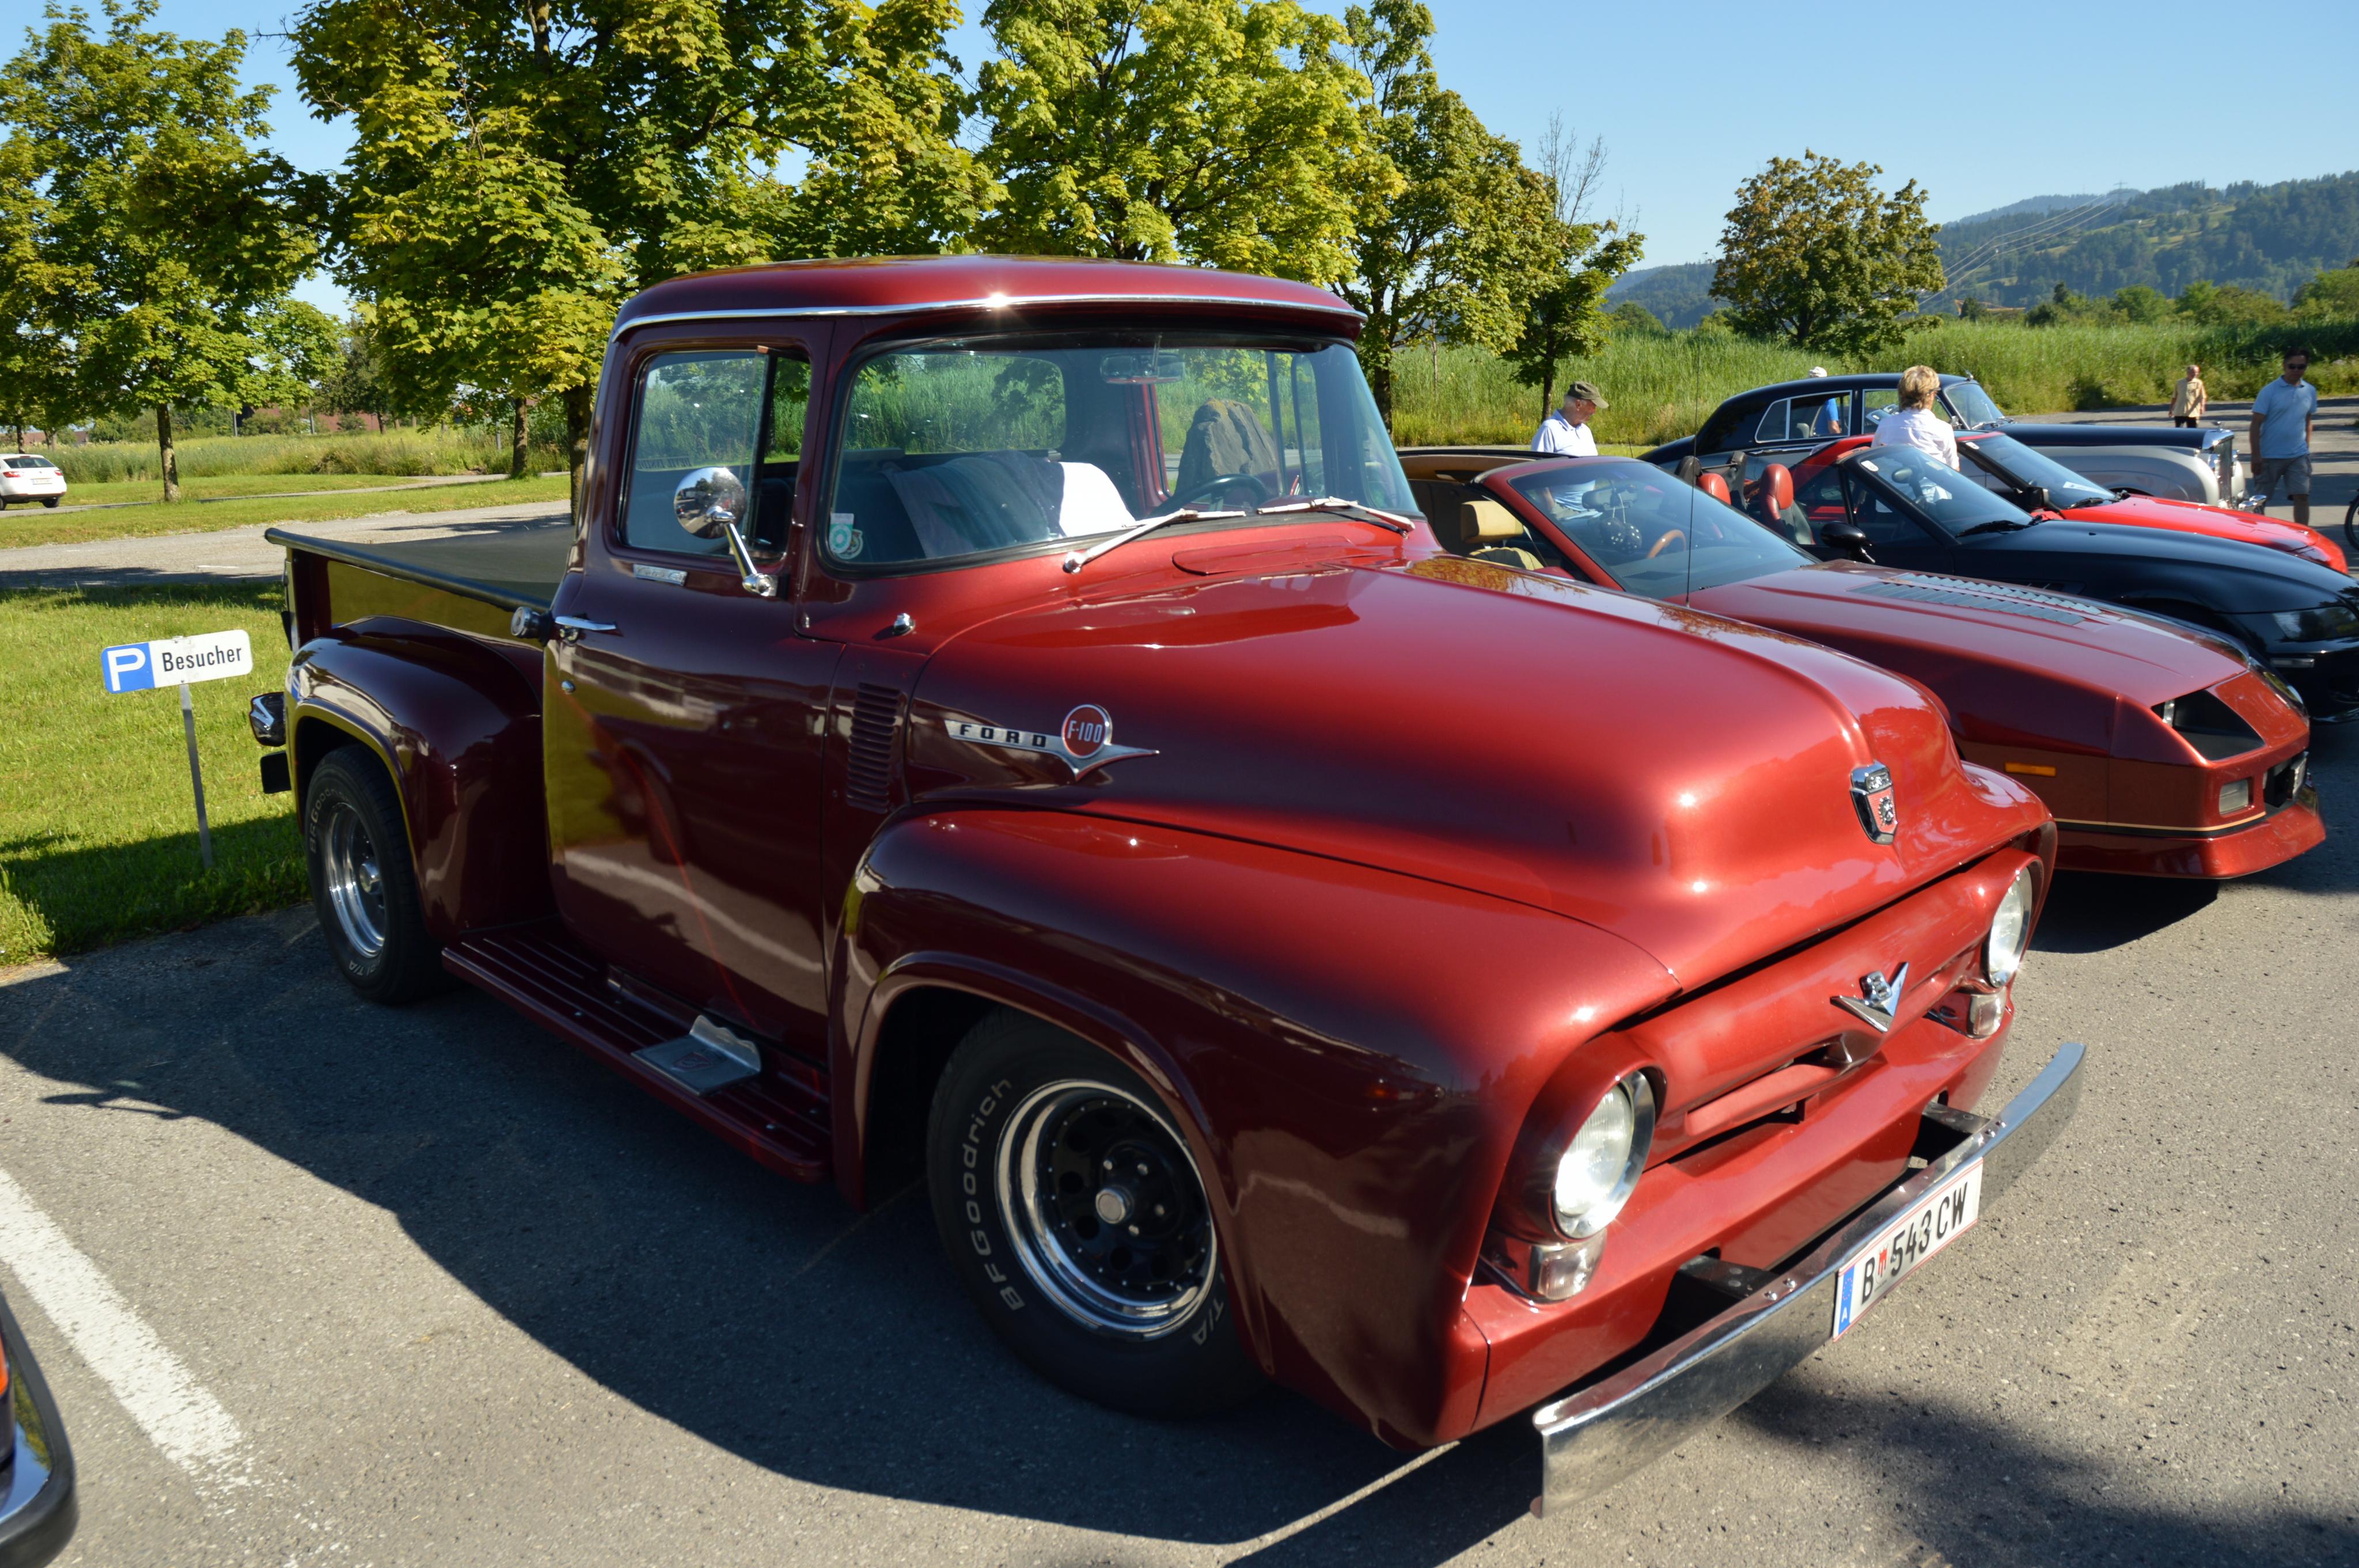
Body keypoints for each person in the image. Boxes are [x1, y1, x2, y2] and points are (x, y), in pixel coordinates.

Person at [2249, 347, 2318, 526]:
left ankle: (2302, 535)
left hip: (2298, 456)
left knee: (2302, 496)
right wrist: (2256, 455)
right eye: (2292, 366)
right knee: (2261, 500)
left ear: (2306, 367)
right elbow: (2255, 424)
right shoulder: (2269, 391)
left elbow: (2308, 421)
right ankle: (2257, 535)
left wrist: (2306, 449)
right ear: (2284, 366)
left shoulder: (2310, 391)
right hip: (2269, 456)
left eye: (2301, 367)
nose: (2296, 370)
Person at [1871, 365, 1958, 468]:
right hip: (1931, 479)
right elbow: (1954, 469)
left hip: (1891, 479)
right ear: (1932, 395)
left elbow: (1874, 462)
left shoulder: (1885, 425)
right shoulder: (1943, 429)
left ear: (1902, 394)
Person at [1533, 382, 1605, 456]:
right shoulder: (1549, 429)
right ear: (1578, 405)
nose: (1594, 412)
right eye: (1593, 406)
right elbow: (1539, 462)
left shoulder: (1585, 431)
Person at [2170, 364, 2206, 428]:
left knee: (2192, 431)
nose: (2195, 374)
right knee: (2178, 431)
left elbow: (2203, 397)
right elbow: (2174, 397)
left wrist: (2202, 407)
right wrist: (2171, 409)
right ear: (2188, 372)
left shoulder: (2199, 383)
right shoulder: (2180, 383)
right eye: (2193, 372)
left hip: (2193, 413)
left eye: (2197, 372)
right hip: (2180, 412)